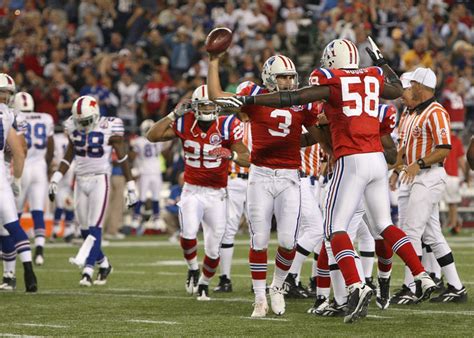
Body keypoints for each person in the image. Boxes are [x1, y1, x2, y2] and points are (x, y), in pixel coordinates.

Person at [215, 38, 437, 323]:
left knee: (334, 228)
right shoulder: (371, 76)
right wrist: (382, 63)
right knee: (384, 224)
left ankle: (356, 285)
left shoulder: (331, 80)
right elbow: (397, 89)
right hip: (377, 161)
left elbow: (292, 98)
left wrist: (252, 99)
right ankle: (422, 275)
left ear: (332, 59)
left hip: (352, 159)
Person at [208, 53, 323, 318]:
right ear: (270, 78)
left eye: (290, 76)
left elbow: (316, 136)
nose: (287, 81)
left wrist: (300, 141)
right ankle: (260, 297)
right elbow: (216, 95)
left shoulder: (300, 102)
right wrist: (214, 62)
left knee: (287, 241)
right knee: (259, 240)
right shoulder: (253, 95)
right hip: (260, 175)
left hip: (289, 176)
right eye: (282, 76)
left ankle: (278, 287)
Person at [146, 85, 250, 301]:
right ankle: (193, 268)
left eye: (211, 104)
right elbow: (152, 136)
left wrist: (229, 154)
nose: (208, 108)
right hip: (192, 190)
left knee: (214, 249)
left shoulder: (228, 124)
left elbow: (247, 158)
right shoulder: (184, 122)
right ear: (194, 107)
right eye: (203, 105)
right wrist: (173, 114)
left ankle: (204, 283)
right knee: (189, 232)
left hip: (217, 194)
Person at [48, 95, 138, 286]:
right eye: (79, 121)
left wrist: (130, 185)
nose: (83, 125)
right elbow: (68, 156)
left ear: (96, 116)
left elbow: (122, 158)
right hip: (80, 181)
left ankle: (87, 271)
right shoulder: (72, 126)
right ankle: (104, 263)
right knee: (83, 230)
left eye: (86, 121)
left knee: (95, 227)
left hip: (99, 179)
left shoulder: (110, 126)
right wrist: (56, 178)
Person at [397, 68, 467, 303]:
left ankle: (414, 287)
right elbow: (404, 148)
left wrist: (418, 163)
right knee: (433, 234)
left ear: (422, 86)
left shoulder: (436, 111)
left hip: (428, 175)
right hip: (414, 176)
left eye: (414, 83)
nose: (410, 87)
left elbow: (444, 147)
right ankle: (456, 286)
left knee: (411, 232)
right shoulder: (415, 112)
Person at [0, 73, 38, 292]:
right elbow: (20, 151)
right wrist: (16, 179)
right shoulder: (9, 115)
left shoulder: (8, 114)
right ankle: (25, 272)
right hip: (3, 174)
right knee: (12, 226)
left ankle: (11, 275)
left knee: (9, 227)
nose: (7, 97)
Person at [13, 91, 54, 265]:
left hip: (22, 167)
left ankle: (11, 247)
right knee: (38, 210)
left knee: (16, 212)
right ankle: (39, 251)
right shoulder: (45, 118)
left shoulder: (14, 116)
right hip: (39, 167)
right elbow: (50, 147)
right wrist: (46, 165)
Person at [214, 119, 251, 293]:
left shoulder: (266, 118)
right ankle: (225, 278)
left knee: (259, 230)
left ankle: (258, 281)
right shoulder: (227, 122)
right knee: (228, 228)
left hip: (256, 179)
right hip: (234, 178)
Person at [130, 119, 164, 232]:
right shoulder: (157, 141)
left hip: (145, 171)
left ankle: (137, 218)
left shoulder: (138, 141)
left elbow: (133, 155)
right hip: (154, 171)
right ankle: (154, 218)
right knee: (153, 196)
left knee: (144, 196)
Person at [51, 126, 76, 242]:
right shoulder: (60, 138)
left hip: (68, 170)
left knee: (66, 202)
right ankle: (60, 230)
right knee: (62, 202)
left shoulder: (58, 138)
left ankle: (66, 231)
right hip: (64, 170)